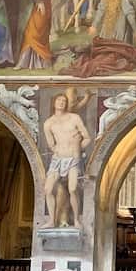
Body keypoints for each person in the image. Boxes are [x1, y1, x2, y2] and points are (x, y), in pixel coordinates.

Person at [42, 94, 91, 228]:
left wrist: (77, 148)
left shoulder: (74, 118)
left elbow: (87, 138)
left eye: (64, 101)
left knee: (73, 188)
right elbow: (51, 144)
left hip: (73, 159)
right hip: (57, 160)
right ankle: (52, 221)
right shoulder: (48, 123)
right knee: (48, 189)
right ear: (54, 103)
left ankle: (76, 220)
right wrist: (57, 150)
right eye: (59, 100)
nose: (61, 103)